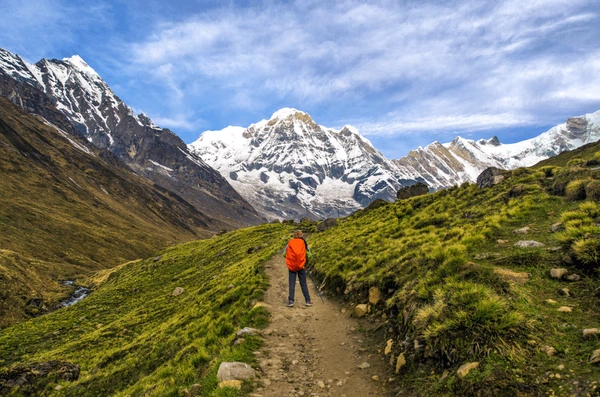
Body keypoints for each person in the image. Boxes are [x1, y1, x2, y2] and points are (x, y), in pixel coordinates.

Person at [282, 230, 313, 307]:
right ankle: (308, 300)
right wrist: (304, 261)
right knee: (303, 283)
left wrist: (291, 259)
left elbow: (284, 254)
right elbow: (309, 255)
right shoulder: (303, 242)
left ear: (294, 235)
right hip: (301, 266)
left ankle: (291, 301)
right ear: (301, 235)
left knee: (292, 283)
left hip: (292, 266)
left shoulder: (290, 242)